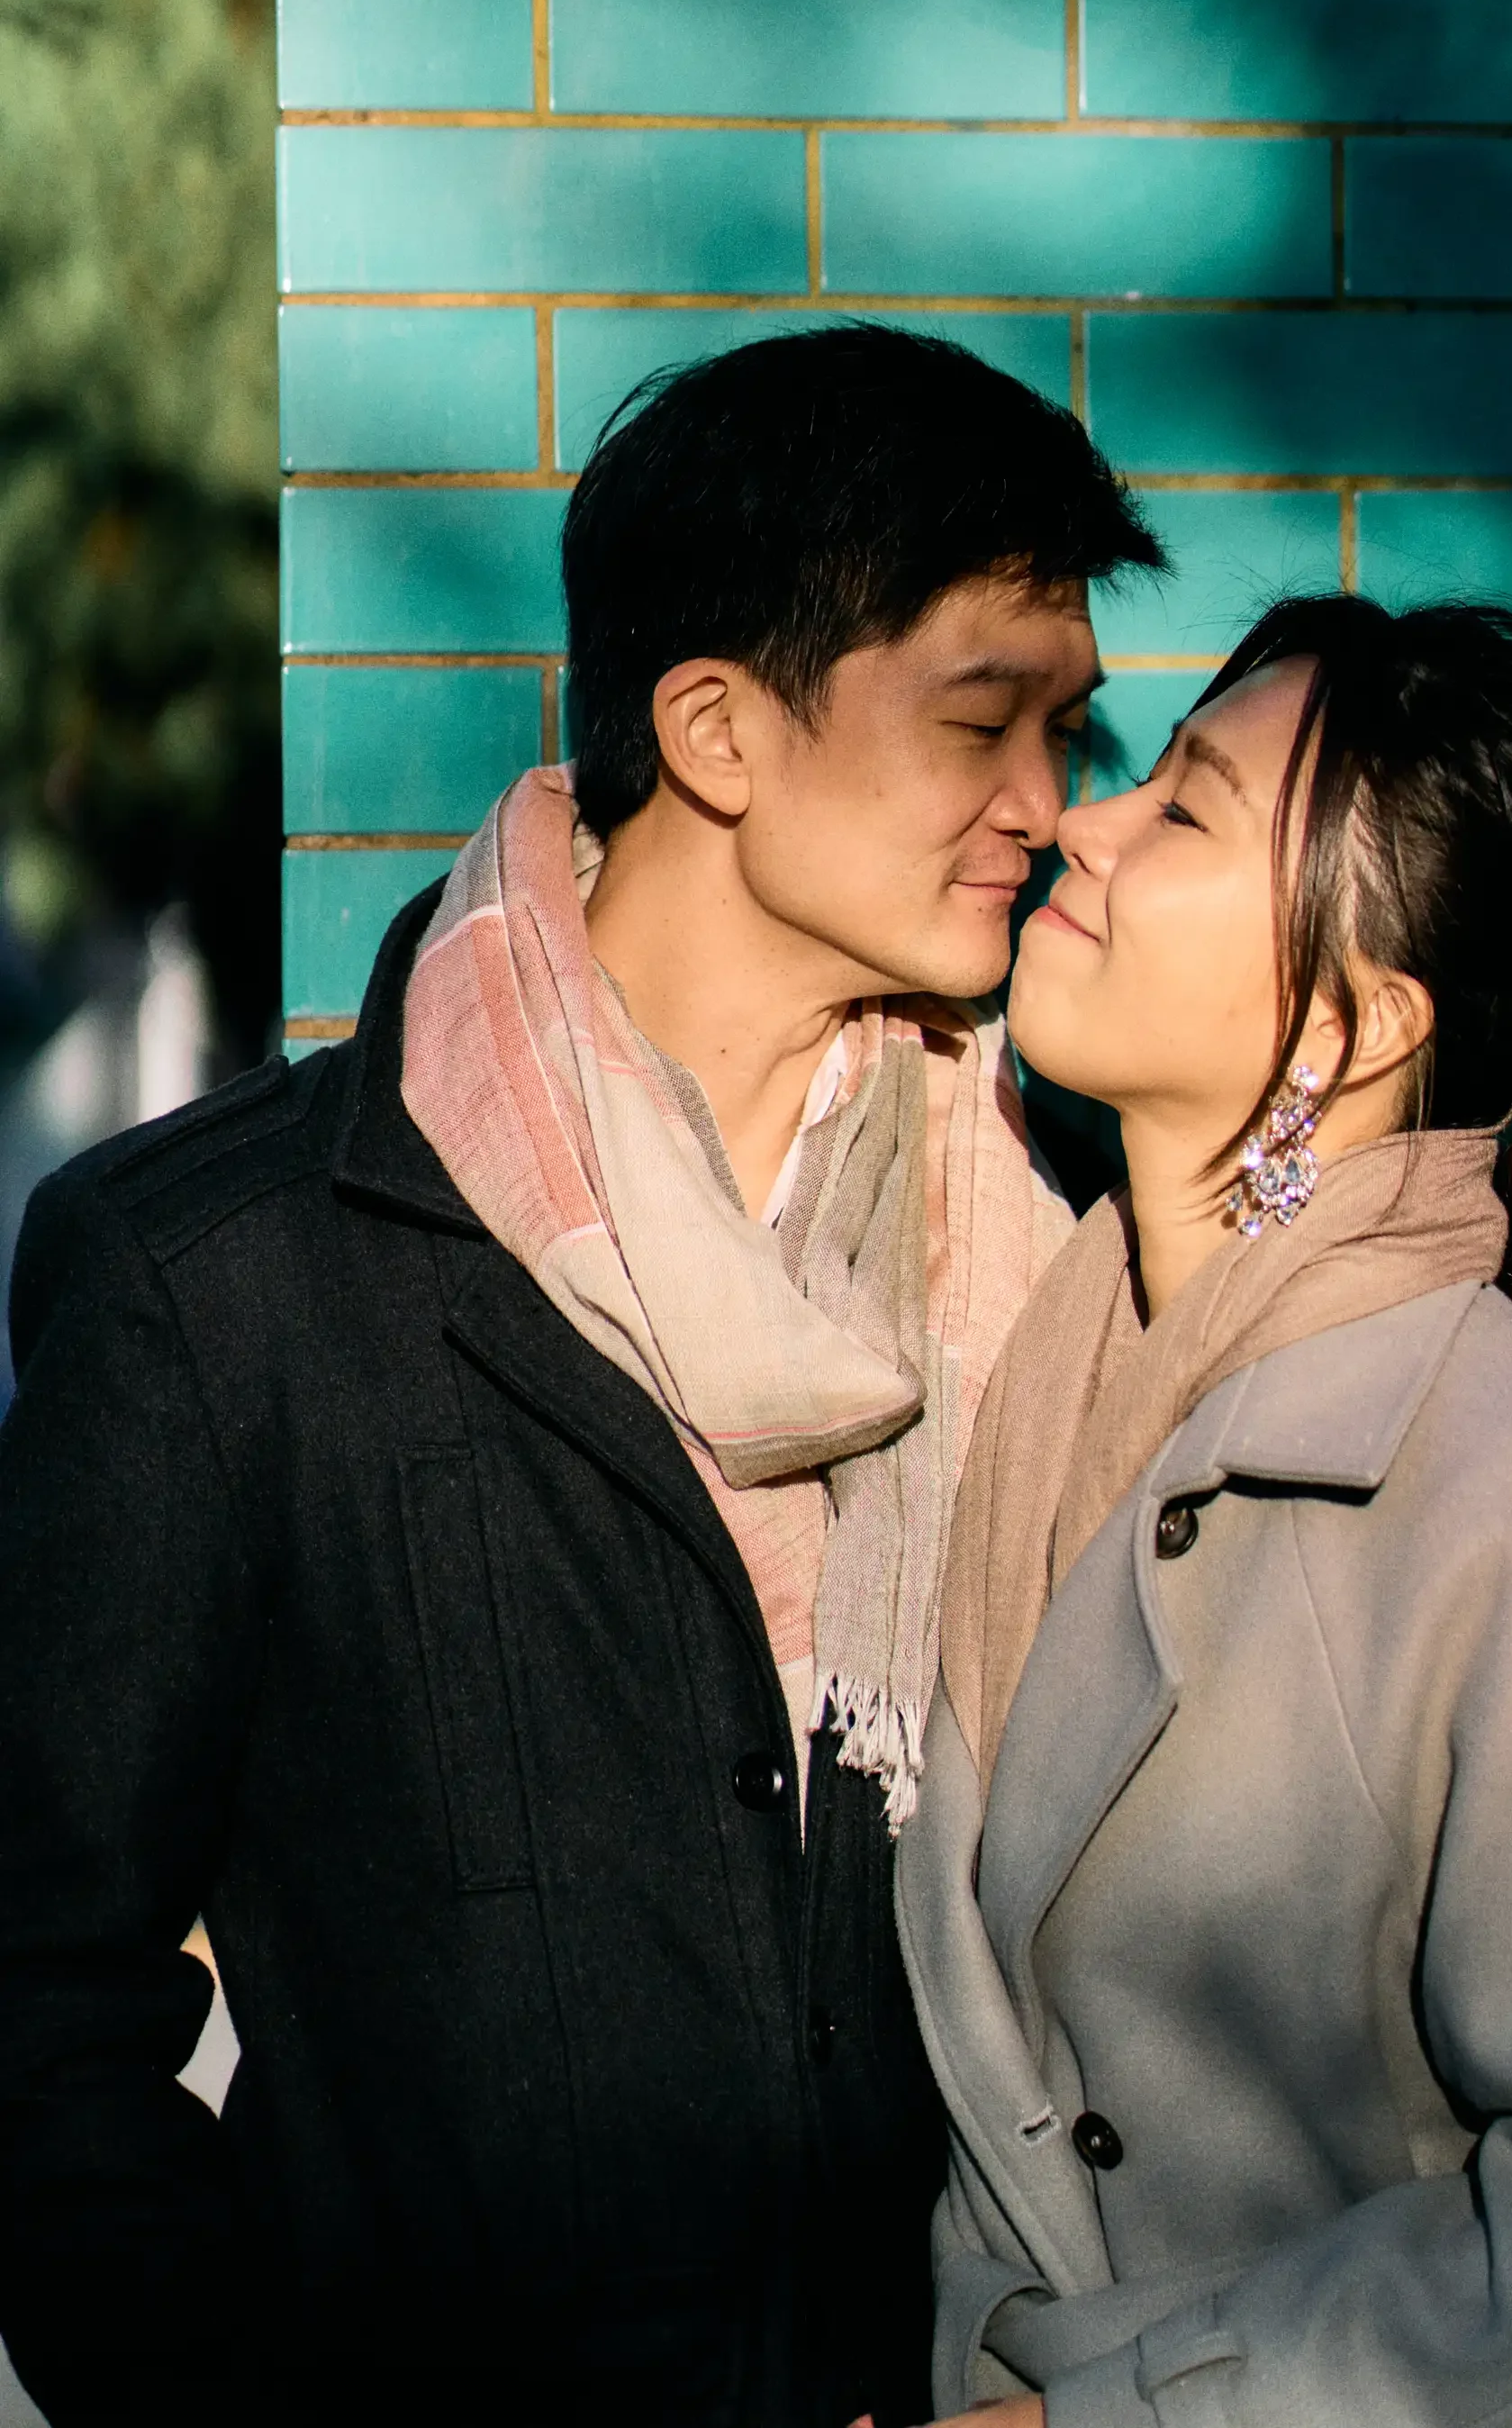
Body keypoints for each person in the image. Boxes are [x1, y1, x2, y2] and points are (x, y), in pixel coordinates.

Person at [0, 324, 1162, 2428]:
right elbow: (30, 2002)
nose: (1044, 808)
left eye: (1064, 731)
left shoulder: (1084, 1223)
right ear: (715, 727)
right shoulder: (219, 1283)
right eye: (979, 719)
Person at [906, 591, 1512, 2428]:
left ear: (1348, 1019)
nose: (1077, 824)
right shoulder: (1036, 1370)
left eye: (1178, 807)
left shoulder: (1511, 1495)